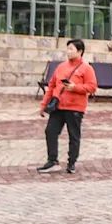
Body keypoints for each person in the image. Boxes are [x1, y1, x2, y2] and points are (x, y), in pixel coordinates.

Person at [37, 38, 97, 174]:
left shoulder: (86, 68)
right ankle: (52, 160)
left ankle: (71, 162)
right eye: (67, 48)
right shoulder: (61, 67)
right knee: (50, 131)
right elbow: (52, 85)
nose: (68, 52)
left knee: (73, 135)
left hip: (75, 108)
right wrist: (44, 104)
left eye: (71, 49)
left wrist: (75, 87)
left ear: (80, 51)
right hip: (58, 106)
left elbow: (92, 87)